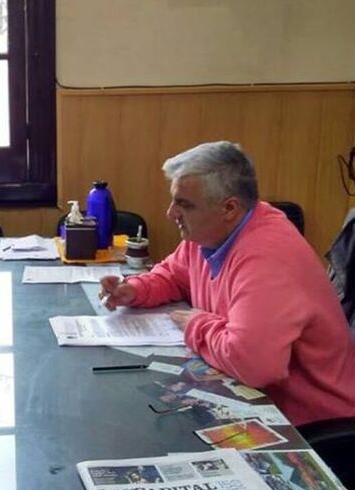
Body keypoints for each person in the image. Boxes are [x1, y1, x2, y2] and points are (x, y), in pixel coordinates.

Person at [100, 141, 355, 427]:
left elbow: (254, 365)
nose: (171, 213)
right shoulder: (209, 235)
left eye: (184, 204)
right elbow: (173, 275)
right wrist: (134, 289)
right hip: (258, 399)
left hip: (316, 426)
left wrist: (197, 324)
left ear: (229, 208)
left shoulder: (267, 255)